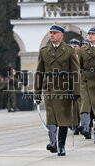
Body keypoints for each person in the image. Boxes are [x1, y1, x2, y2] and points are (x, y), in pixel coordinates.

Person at [34, 22, 80, 156]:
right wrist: (37, 93)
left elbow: (75, 72)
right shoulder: (44, 51)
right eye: (51, 33)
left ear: (61, 35)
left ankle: (61, 145)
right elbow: (39, 73)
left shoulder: (69, 50)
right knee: (51, 117)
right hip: (49, 89)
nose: (52, 35)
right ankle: (52, 142)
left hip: (64, 88)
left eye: (54, 33)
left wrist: (76, 91)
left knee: (64, 120)